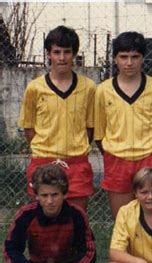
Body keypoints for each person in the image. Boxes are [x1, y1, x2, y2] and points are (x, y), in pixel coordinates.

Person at [0, 164, 101, 263]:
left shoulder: (76, 214)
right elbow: (11, 251)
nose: (49, 201)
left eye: (55, 195)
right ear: (37, 196)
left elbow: (88, 253)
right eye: (44, 195)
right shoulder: (26, 215)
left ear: (64, 194)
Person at [18, 25, 96, 212]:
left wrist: (73, 147)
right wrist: (47, 148)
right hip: (43, 161)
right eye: (57, 52)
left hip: (76, 162)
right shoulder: (34, 88)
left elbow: (90, 128)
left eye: (67, 52)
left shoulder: (89, 88)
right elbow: (29, 129)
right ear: (48, 54)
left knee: (77, 221)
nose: (62, 58)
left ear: (74, 54)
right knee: (42, 223)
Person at [94, 31, 152, 219]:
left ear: (143, 58)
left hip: (150, 157)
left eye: (135, 57)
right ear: (114, 59)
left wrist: (147, 148)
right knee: (122, 220)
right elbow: (99, 134)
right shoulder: (103, 90)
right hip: (117, 160)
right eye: (123, 57)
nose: (129, 63)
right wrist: (118, 150)